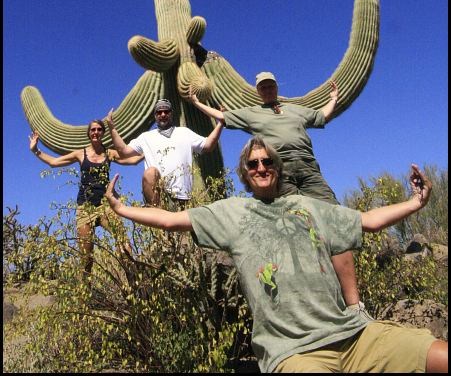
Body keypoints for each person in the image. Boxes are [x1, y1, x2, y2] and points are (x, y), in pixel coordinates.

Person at [105, 136, 447, 373]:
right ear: (245, 173)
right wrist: (123, 209)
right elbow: (169, 220)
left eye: (267, 161)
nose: (261, 167)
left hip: (354, 335)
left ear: (277, 168)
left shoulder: (309, 206)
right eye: (253, 164)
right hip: (294, 352)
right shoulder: (231, 214)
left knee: (439, 356)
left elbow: (369, 221)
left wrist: (417, 202)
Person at [188, 74, 362, 312]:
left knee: (335, 220)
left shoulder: (295, 110)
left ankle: (354, 304)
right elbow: (223, 117)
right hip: (280, 169)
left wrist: (333, 98)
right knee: (294, 223)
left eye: (270, 85)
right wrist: (197, 104)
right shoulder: (252, 112)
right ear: (258, 91)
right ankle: (312, 295)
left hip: (309, 167)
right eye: (263, 87)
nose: (267, 89)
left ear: (276, 87)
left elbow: (322, 117)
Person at [29, 119, 143, 276]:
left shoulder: (110, 153)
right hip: (85, 208)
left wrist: (151, 150)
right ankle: (85, 298)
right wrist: (36, 150)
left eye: (99, 129)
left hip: (106, 205)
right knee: (86, 258)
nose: (96, 132)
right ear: (89, 133)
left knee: (124, 244)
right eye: (93, 130)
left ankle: (135, 283)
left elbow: (133, 160)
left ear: (103, 133)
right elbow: (54, 162)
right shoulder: (80, 154)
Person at [107, 99, 224, 207]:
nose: (163, 114)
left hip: (183, 197)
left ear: (171, 113)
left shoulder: (184, 132)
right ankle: (156, 212)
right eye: (159, 112)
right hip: (158, 196)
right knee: (150, 173)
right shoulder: (146, 137)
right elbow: (124, 151)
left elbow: (208, 145)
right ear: (155, 116)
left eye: (166, 111)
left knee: (181, 229)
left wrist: (220, 123)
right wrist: (112, 128)